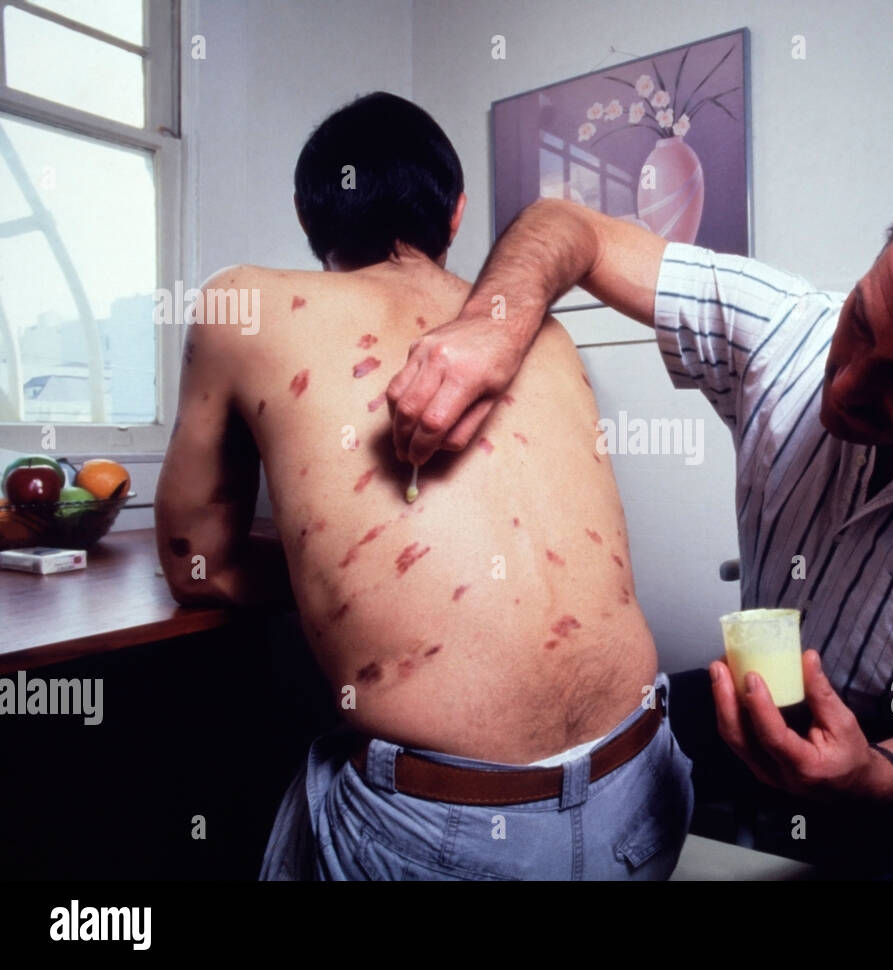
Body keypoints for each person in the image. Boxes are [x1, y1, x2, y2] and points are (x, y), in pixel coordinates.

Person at [386, 160, 893, 878]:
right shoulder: (783, 329)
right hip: (763, 696)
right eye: (861, 319)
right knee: (576, 746)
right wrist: (494, 321)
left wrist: (881, 776)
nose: (846, 384)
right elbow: (567, 225)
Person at [154, 92, 692, 881]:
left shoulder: (243, 304)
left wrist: (330, 581)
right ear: (457, 213)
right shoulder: (540, 331)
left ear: (311, 225)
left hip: (451, 838)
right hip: (648, 793)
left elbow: (193, 563)